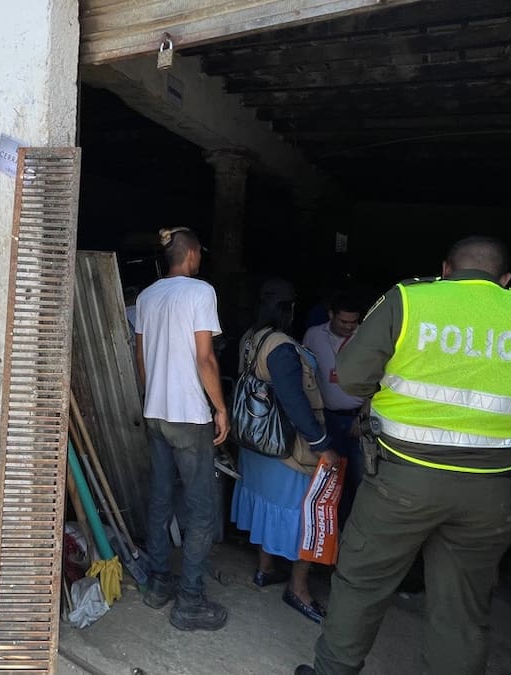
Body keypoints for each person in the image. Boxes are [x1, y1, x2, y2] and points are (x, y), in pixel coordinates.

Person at [296, 236, 511, 675]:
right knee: (463, 606)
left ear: (445, 270)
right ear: (506, 279)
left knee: (362, 582)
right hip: (495, 490)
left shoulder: (409, 300)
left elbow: (352, 377)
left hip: (404, 480)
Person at [134, 226, 231, 632]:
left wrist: (152, 396)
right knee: (201, 507)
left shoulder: (146, 296)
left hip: (156, 412)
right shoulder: (200, 292)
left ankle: (158, 583)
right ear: (191, 254)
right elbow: (205, 358)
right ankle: (190, 600)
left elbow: (140, 358)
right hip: (189, 415)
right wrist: (220, 408)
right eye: (199, 254)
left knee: (160, 499)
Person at [231, 279, 337, 623]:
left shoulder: (250, 338)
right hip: (284, 448)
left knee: (266, 505)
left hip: (256, 443)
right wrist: (322, 446)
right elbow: (294, 401)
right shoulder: (281, 347)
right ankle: (298, 589)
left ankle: (265, 569)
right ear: (288, 309)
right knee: (304, 514)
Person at [302, 291, 367, 528]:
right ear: (331, 314)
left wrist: (364, 416)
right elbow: (305, 374)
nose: (349, 327)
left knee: (359, 479)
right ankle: (328, 531)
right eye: (343, 321)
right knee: (328, 478)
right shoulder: (313, 335)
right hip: (326, 419)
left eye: (354, 322)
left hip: (357, 420)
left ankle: (354, 531)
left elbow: (382, 380)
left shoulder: (367, 337)